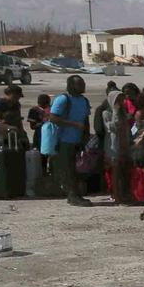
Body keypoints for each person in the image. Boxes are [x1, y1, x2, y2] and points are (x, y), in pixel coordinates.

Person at [42, 76, 91, 206]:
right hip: (64, 140)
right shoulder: (63, 99)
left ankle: (75, 194)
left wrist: (85, 136)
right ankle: (73, 196)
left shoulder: (84, 101)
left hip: (77, 140)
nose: (83, 86)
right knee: (68, 169)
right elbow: (53, 118)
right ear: (72, 86)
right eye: (80, 84)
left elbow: (85, 119)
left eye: (83, 83)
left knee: (76, 169)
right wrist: (74, 124)